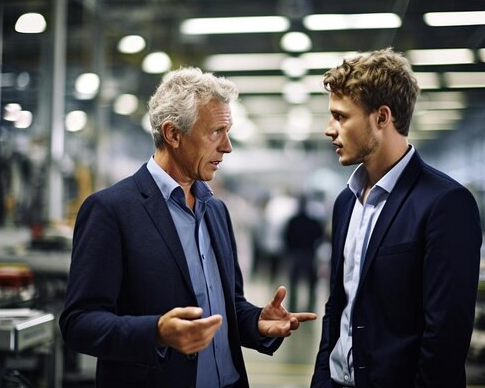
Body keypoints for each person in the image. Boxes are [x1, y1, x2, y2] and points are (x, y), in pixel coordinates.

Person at [59, 67, 316, 388]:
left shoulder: (215, 210)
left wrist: (255, 322)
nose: (227, 147)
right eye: (215, 132)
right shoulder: (111, 210)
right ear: (173, 134)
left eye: (228, 131)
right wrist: (157, 332)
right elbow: (79, 323)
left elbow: (228, 303)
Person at [310, 48, 482, 388]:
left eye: (341, 117)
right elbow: (339, 309)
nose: (329, 129)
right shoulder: (346, 202)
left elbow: (445, 335)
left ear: (382, 117)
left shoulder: (445, 204)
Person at [283, 193, 325, 312]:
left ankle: (292, 307)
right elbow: (320, 235)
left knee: (294, 283)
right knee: (311, 283)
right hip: (309, 254)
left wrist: (290, 250)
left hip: (295, 254)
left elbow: (286, 237)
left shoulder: (293, 221)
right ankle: (310, 307)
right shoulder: (313, 222)